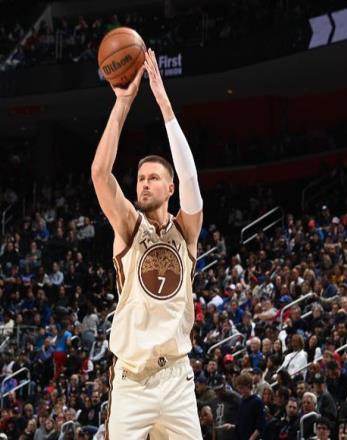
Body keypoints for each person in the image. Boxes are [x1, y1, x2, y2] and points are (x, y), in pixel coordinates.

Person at [91, 48, 203, 438]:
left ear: (170, 188)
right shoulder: (128, 226)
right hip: (132, 380)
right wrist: (123, 104)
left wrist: (164, 105)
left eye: (154, 178)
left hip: (176, 380)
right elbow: (100, 174)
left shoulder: (186, 230)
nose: (144, 183)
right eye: (141, 178)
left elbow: (191, 180)